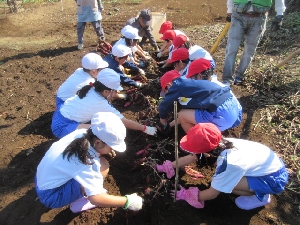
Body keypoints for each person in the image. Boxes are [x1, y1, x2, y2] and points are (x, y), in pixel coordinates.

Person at [157, 123, 288, 210]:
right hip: (267, 165)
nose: (192, 152)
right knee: (224, 180)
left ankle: (262, 196)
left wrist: (187, 195)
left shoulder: (229, 163)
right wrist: (169, 166)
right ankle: (255, 187)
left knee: (226, 185)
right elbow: (194, 156)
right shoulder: (220, 142)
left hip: (272, 180)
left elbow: (212, 194)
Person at [36, 112, 143, 212]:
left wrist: (102, 152)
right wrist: (128, 201)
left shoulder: (82, 133)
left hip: (42, 180)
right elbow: (96, 198)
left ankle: (78, 191)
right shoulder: (87, 161)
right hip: (52, 196)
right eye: (111, 147)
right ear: (98, 142)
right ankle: (80, 203)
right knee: (104, 166)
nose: (112, 150)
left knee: (100, 161)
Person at [51, 68, 157, 138]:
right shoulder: (100, 103)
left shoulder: (91, 87)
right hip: (62, 127)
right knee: (102, 130)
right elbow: (125, 122)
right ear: (106, 91)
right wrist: (145, 128)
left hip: (59, 113)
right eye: (115, 91)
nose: (117, 93)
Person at [222, 0, 286, 85]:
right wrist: (229, 10)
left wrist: (280, 14)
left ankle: (239, 75)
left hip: (259, 18)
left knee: (250, 50)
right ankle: (227, 79)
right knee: (231, 48)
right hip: (238, 15)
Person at [158, 70, 240, 133]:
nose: (167, 94)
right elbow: (187, 114)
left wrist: (163, 121)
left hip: (220, 113)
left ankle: (199, 146)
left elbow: (164, 106)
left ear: (168, 86)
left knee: (182, 114)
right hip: (232, 110)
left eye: (165, 92)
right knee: (185, 114)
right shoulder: (190, 85)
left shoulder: (177, 85)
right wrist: (169, 126)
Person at [186, 58, 243, 129]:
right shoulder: (217, 83)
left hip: (223, 118)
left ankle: (199, 138)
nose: (192, 81)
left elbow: (193, 104)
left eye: (192, 78)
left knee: (184, 115)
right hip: (236, 116)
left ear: (200, 76)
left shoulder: (205, 88)